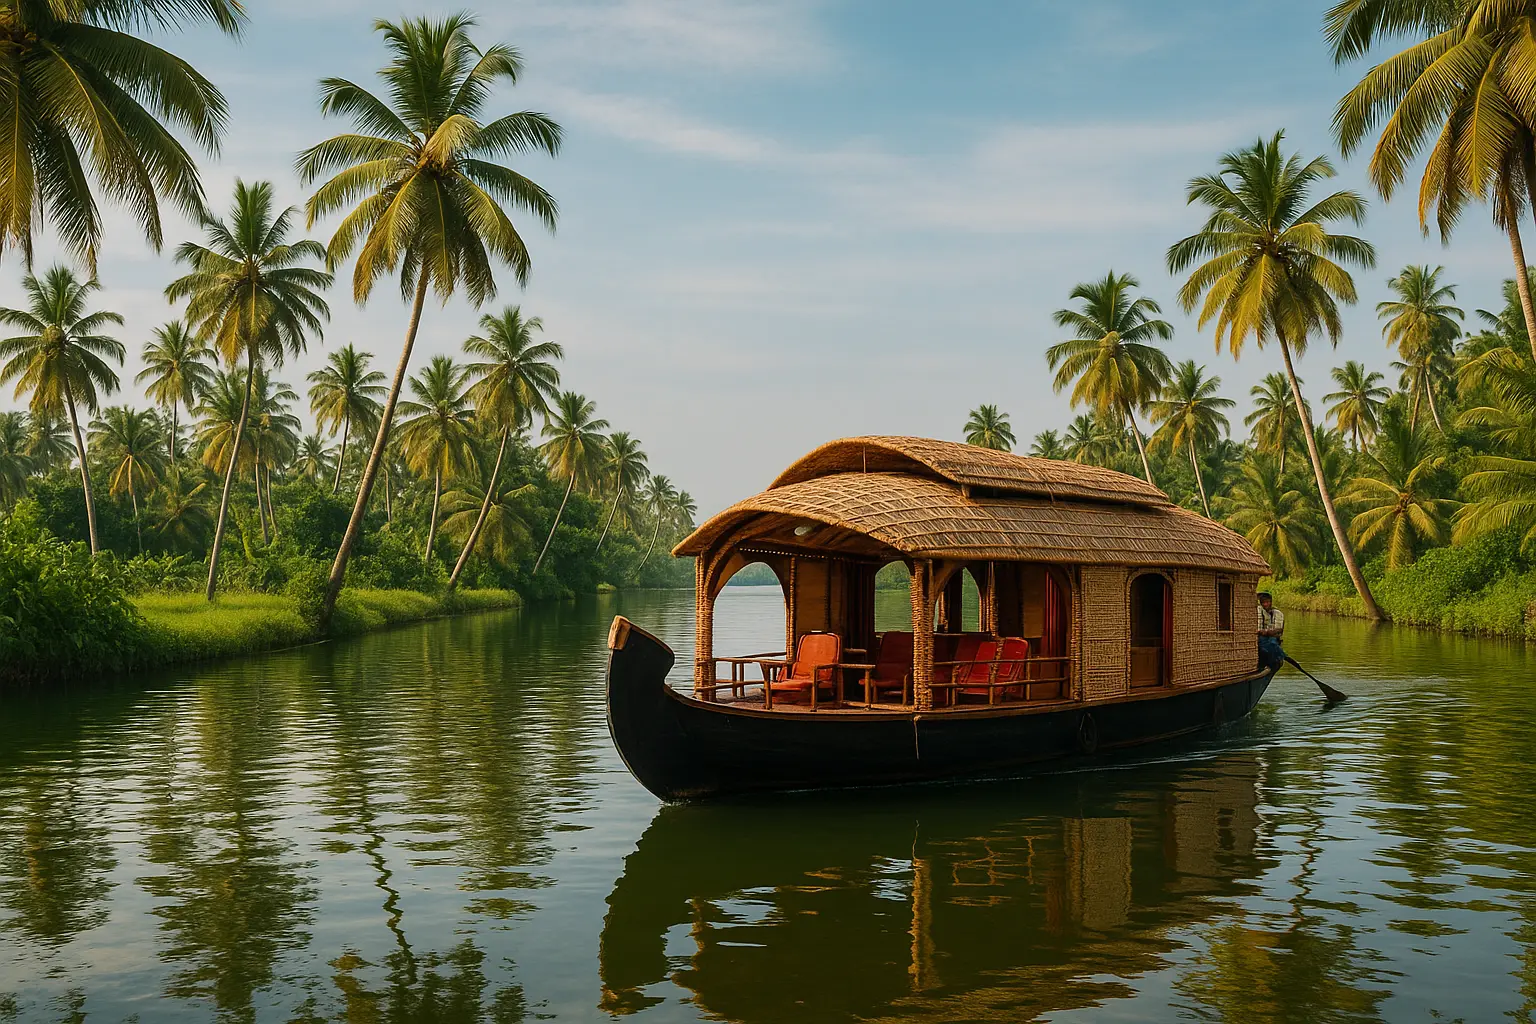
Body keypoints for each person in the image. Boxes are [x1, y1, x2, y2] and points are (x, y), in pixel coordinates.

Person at [1256, 591, 1285, 672]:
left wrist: (1267, 632)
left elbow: (1279, 629)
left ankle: (1271, 662)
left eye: (1267, 602)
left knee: (1270, 645)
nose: (1265, 604)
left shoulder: (1277, 613)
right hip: (1262, 637)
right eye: (1263, 603)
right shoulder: (1260, 611)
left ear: (1270, 602)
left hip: (1272, 638)